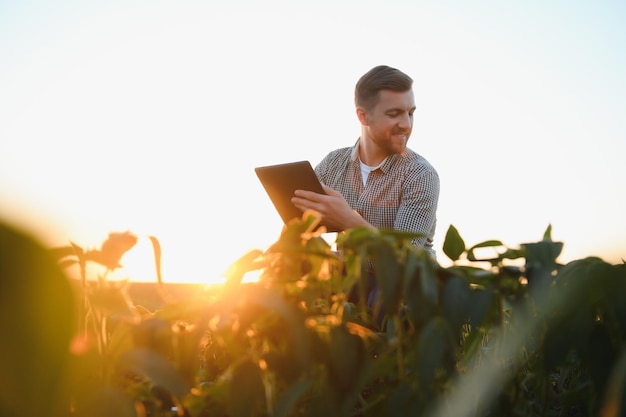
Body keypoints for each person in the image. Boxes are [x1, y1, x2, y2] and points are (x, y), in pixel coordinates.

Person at [291, 65, 440, 258]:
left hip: (407, 287)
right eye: (394, 114)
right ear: (363, 116)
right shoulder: (332, 164)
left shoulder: (420, 174)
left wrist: (349, 220)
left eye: (410, 113)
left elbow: (404, 259)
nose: (406, 124)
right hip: (351, 282)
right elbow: (297, 227)